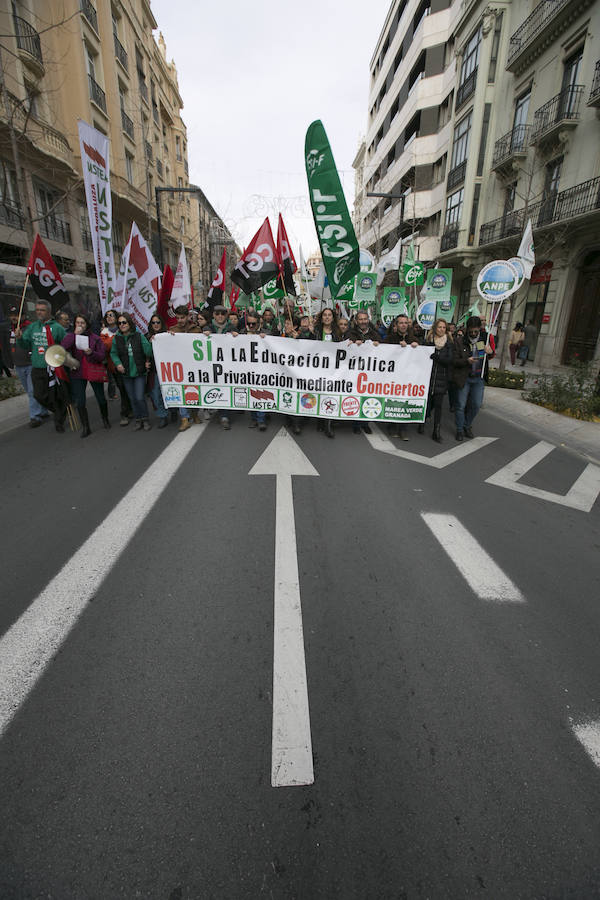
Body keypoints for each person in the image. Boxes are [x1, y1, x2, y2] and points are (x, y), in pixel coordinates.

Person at [16, 299, 68, 432]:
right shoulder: (33, 327)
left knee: (54, 395)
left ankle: (59, 421)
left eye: (42, 310)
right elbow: (25, 344)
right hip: (37, 367)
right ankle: (59, 410)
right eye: (37, 310)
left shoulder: (57, 327)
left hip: (53, 368)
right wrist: (20, 338)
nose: (39, 312)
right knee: (38, 395)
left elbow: (66, 344)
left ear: (49, 311)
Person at [61, 313, 109, 437]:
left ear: (87, 324)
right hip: (77, 372)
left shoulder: (95, 338)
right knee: (80, 401)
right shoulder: (72, 336)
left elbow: (102, 355)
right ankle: (86, 427)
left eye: (82, 323)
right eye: (77, 323)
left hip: (93, 370)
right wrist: (75, 335)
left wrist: (91, 353)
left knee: (100, 397)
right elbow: (63, 348)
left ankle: (105, 419)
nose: (80, 325)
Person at [453, 315, 495, 441]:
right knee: (460, 405)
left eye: (475, 331)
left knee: (476, 404)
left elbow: (491, 355)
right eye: (471, 331)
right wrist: (466, 361)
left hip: (479, 378)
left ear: (479, 329)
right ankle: (460, 429)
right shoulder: (460, 341)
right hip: (465, 377)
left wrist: (490, 352)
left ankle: (467, 425)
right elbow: (454, 361)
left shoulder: (485, 339)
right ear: (467, 329)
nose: (473, 333)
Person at [110, 311, 153, 431]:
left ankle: (145, 418)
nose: (122, 325)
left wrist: (147, 343)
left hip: (139, 372)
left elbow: (148, 352)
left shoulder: (138, 336)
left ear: (129, 323)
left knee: (139, 397)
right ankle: (138, 420)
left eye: (124, 322)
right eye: (119, 323)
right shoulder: (116, 338)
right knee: (132, 398)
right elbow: (113, 353)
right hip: (126, 373)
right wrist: (118, 364)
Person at [8, 305, 50, 426]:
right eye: (12, 316)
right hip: (18, 365)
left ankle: (35, 416)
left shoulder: (30, 328)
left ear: (23, 316)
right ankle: (42, 410)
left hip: (31, 363)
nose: (14, 318)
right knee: (30, 390)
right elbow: (7, 347)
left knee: (32, 391)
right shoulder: (8, 330)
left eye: (17, 315)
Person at [385, 315, 419, 440]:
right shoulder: (389, 339)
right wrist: (397, 347)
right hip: (393, 376)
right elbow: (383, 354)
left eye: (406, 323)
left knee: (406, 400)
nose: (404, 325)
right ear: (396, 325)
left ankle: (403, 429)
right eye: (401, 323)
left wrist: (416, 347)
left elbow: (421, 356)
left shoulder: (414, 339)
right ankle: (392, 426)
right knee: (393, 400)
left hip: (408, 377)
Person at [169, 305, 202, 431]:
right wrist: (164, 338)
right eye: (178, 318)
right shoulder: (173, 330)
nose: (180, 320)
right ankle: (184, 418)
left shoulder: (196, 330)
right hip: (180, 367)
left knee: (194, 391)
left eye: (182, 318)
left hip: (194, 366)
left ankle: (194, 414)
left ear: (188, 316)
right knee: (182, 391)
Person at [424, 318, 454, 443]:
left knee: (438, 405)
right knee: (428, 404)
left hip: (442, 379)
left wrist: (437, 357)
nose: (441, 329)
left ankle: (436, 431)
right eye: (439, 327)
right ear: (435, 328)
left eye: (444, 327)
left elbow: (449, 360)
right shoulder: (428, 341)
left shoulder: (449, 343)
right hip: (428, 377)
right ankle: (423, 421)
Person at [100, 310, 132, 426]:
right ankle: (125, 413)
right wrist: (117, 336)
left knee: (128, 388)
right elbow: (106, 346)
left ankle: (130, 409)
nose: (109, 317)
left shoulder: (124, 327)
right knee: (122, 389)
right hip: (114, 366)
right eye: (107, 316)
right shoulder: (104, 332)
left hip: (129, 364)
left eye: (111, 315)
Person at [313, 308, 341, 438]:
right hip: (318, 368)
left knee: (329, 395)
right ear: (321, 317)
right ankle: (319, 421)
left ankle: (327, 424)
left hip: (332, 369)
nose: (327, 317)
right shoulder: (316, 331)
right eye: (325, 315)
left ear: (333, 318)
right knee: (318, 393)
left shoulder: (337, 332)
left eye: (330, 315)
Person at [239, 309, 267, 431]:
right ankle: (254, 418)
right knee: (251, 394)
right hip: (247, 370)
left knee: (260, 394)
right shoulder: (242, 333)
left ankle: (261, 419)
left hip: (262, 370)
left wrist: (266, 338)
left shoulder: (265, 333)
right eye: (249, 323)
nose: (251, 326)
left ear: (259, 323)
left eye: (253, 324)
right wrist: (234, 337)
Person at [146, 313, 169, 428]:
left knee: (169, 391)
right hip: (154, 371)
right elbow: (145, 353)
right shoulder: (146, 337)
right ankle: (162, 415)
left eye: (158, 322)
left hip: (168, 369)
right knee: (155, 393)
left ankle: (173, 411)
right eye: (153, 322)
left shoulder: (167, 335)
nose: (155, 325)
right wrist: (149, 344)